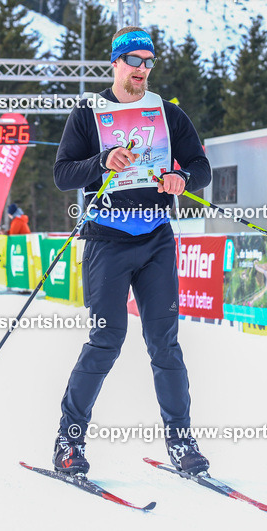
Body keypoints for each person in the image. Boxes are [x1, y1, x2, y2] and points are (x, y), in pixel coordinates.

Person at [51, 26, 212, 477]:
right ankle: (68, 440)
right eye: (134, 60)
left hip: (156, 238)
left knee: (165, 344)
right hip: (107, 239)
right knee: (106, 341)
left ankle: (181, 441)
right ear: (116, 63)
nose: (142, 69)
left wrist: (183, 178)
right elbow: (63, 174)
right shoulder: (89, 112)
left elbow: (201, 167)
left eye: (149, 61)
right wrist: (101, 161)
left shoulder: (167, 112)